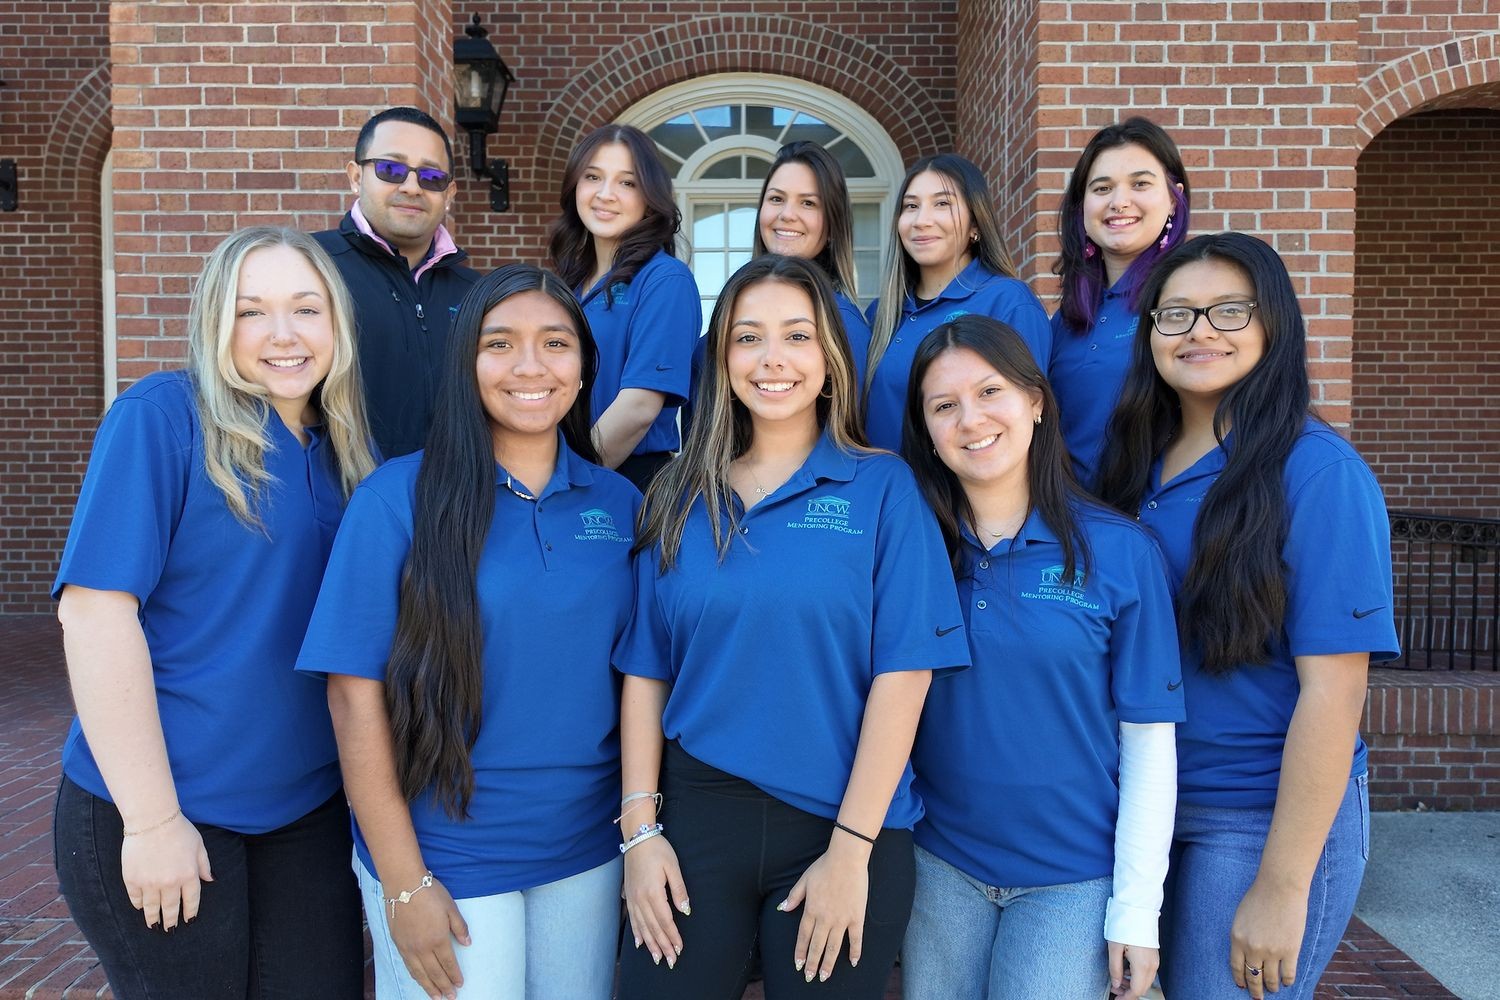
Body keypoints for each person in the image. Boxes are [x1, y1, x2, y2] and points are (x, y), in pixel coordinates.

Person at [615, 255, 969, 999]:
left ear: (831, 360)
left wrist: (851, 853)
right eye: (748, 338)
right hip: (696, 818)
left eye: (797, 336)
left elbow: (904, 677)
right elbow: (647, 671)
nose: (772, 358)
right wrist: (640, 836)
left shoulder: (883, 487)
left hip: (843, 818)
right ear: (722, 359)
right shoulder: (677, 494)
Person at [296, 264, 640, 1000]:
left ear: (583, 367)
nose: (529, 367)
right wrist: (401, 880)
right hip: (447, 851)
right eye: (500, 344)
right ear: (467, 363)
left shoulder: (621, 504)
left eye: (555, 344)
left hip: (584, 848)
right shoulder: (397, 498)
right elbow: (353, 697)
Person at [52, 226, 377, 999]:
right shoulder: (163, 418)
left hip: (303, 810)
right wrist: (153, 821)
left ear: (337, 322)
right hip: (167, 805)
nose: (284, 335)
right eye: (250, 312)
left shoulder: (346, 453)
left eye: (306, 308)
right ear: (213, 324)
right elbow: (95, 620)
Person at [1095, 233, 1400, 1000]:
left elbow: (1335, 693)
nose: (1200, 331)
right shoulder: (1133, 462)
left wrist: (1282, 884)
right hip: (1142, 805)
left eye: (1229, 310)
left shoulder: (1319, 472)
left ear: (1274, 325)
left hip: (1255, 816)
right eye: (1176, 314)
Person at [898, 314, 1183, 1000]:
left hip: (1072, 880)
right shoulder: (912, 554)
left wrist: (1137, 910)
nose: (971, 420)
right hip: (940, 868)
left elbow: (1148, 740)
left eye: (990, 391)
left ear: (1036, 401)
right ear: (930, 437)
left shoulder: (1120, 553)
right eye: (945, 406)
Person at [314, 105, 480, 459]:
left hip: (454, 502)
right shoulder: (311, 266)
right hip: (338, 503)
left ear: (449, 194)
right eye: (391, 169)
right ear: (356, 177)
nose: (412, 187)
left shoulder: (476, 293)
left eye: (431, 177)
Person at [547, 123, 701, 489]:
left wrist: (570, 483)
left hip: (624, 479)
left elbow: (639, 408)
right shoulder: (568, 283)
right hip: (560, 469)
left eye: (627, 183)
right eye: (593, 177)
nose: (606, 194)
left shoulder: (665, 280)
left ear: (650, 197)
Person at [863, 153, 1051, 452]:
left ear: (975, 223)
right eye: (911, 206)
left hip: (960, 495)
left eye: (942, 203)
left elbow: (1025, 426)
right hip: (885, 494)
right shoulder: (881, 315)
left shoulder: (1007, 301)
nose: (922, 221)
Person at [687, 140, 873, 434]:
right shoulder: (732, 310)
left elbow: (852, 437)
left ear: (833, 225)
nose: (787, 214)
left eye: (808, 203)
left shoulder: (843, 324)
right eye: (776, 199)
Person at [1049, 118, 1190, 486]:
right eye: (1102, 187)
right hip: (1069, 520)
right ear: (1082, 206)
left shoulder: (1189, 301)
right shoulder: (1067, 317)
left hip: (1151, 521)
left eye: (1140, 183)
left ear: (1174, 198)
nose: (1119, 202)